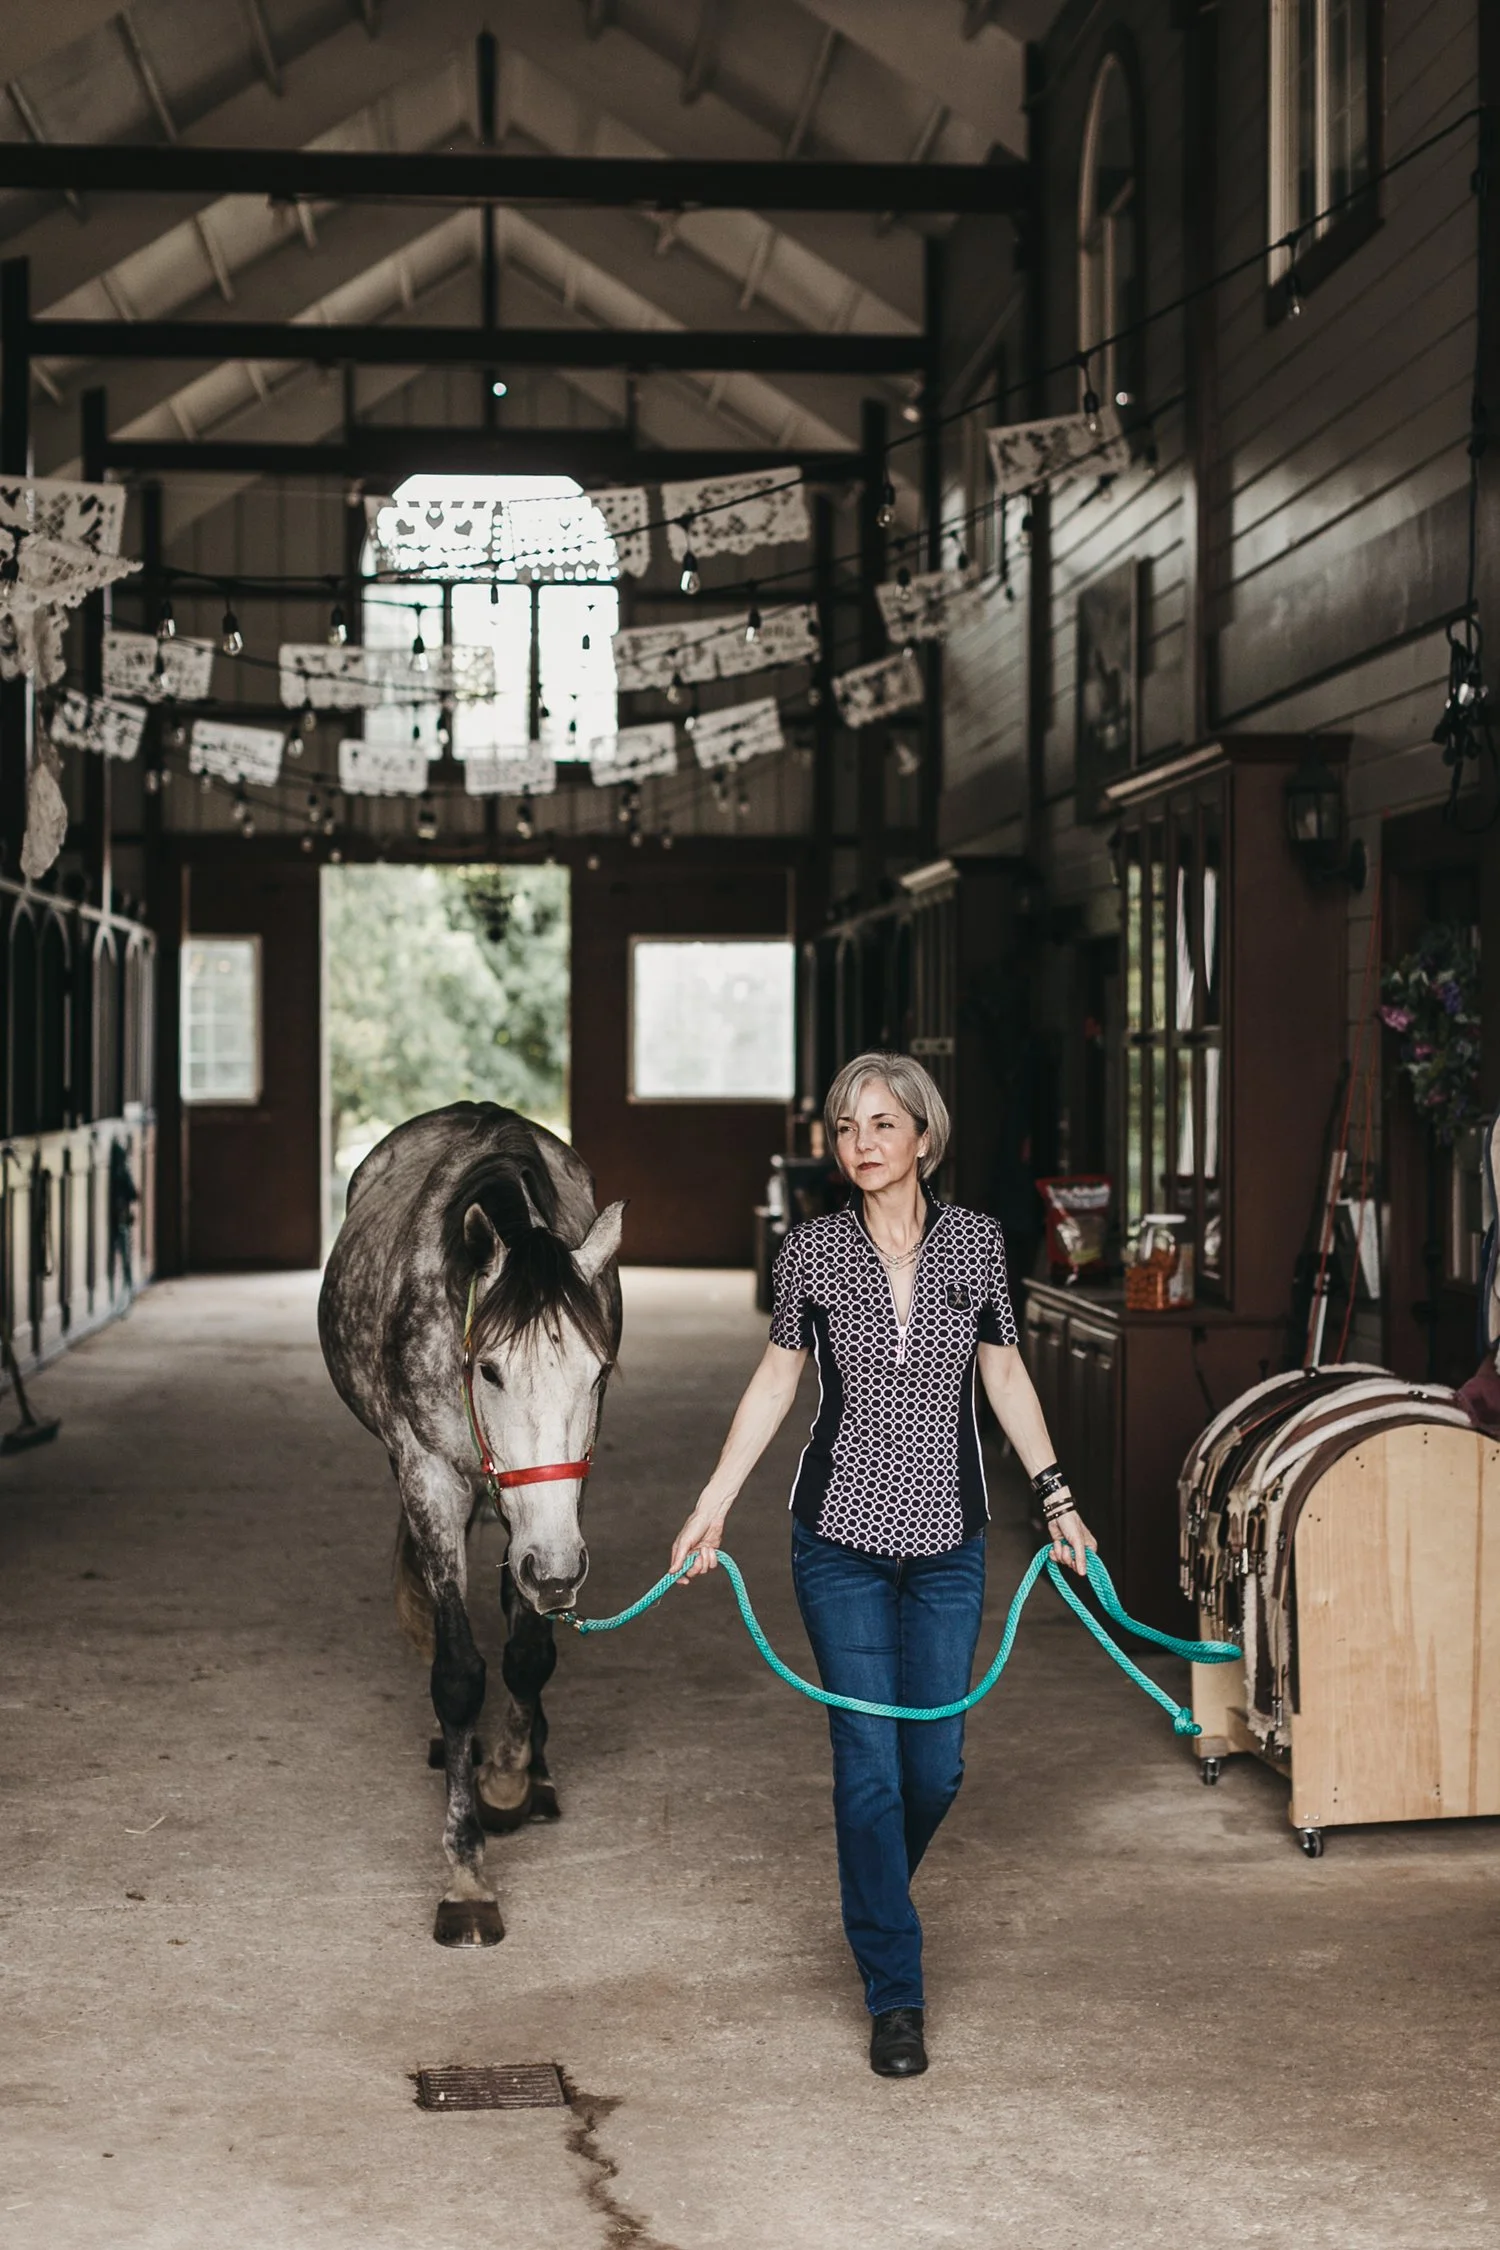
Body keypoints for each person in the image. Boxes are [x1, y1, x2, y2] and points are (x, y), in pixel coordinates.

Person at [670, 1052, 1095, 2079]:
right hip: (839, 1545)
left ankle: (872, 1896)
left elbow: (1004, 1374)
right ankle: (895, 1994)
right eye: (846, 1127)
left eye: (882, 1125)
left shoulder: (980, 1246)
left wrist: (1057, 1497)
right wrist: (711, 1503)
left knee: (933, 1771)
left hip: (949, 1548)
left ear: (924, 1139)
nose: (861, 1143)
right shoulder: (812, 1252)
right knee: (867, 1774)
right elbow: (777, 1382)